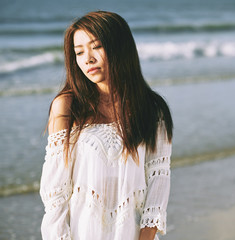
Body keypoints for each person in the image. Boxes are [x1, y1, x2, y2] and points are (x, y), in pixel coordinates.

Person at [39, 11, 173, 240]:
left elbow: (158, 178)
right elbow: (55, 194)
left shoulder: (152, 109)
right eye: (79, 52)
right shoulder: (67, 106)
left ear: (120, 47)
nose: (87, 59)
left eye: (96, 46)